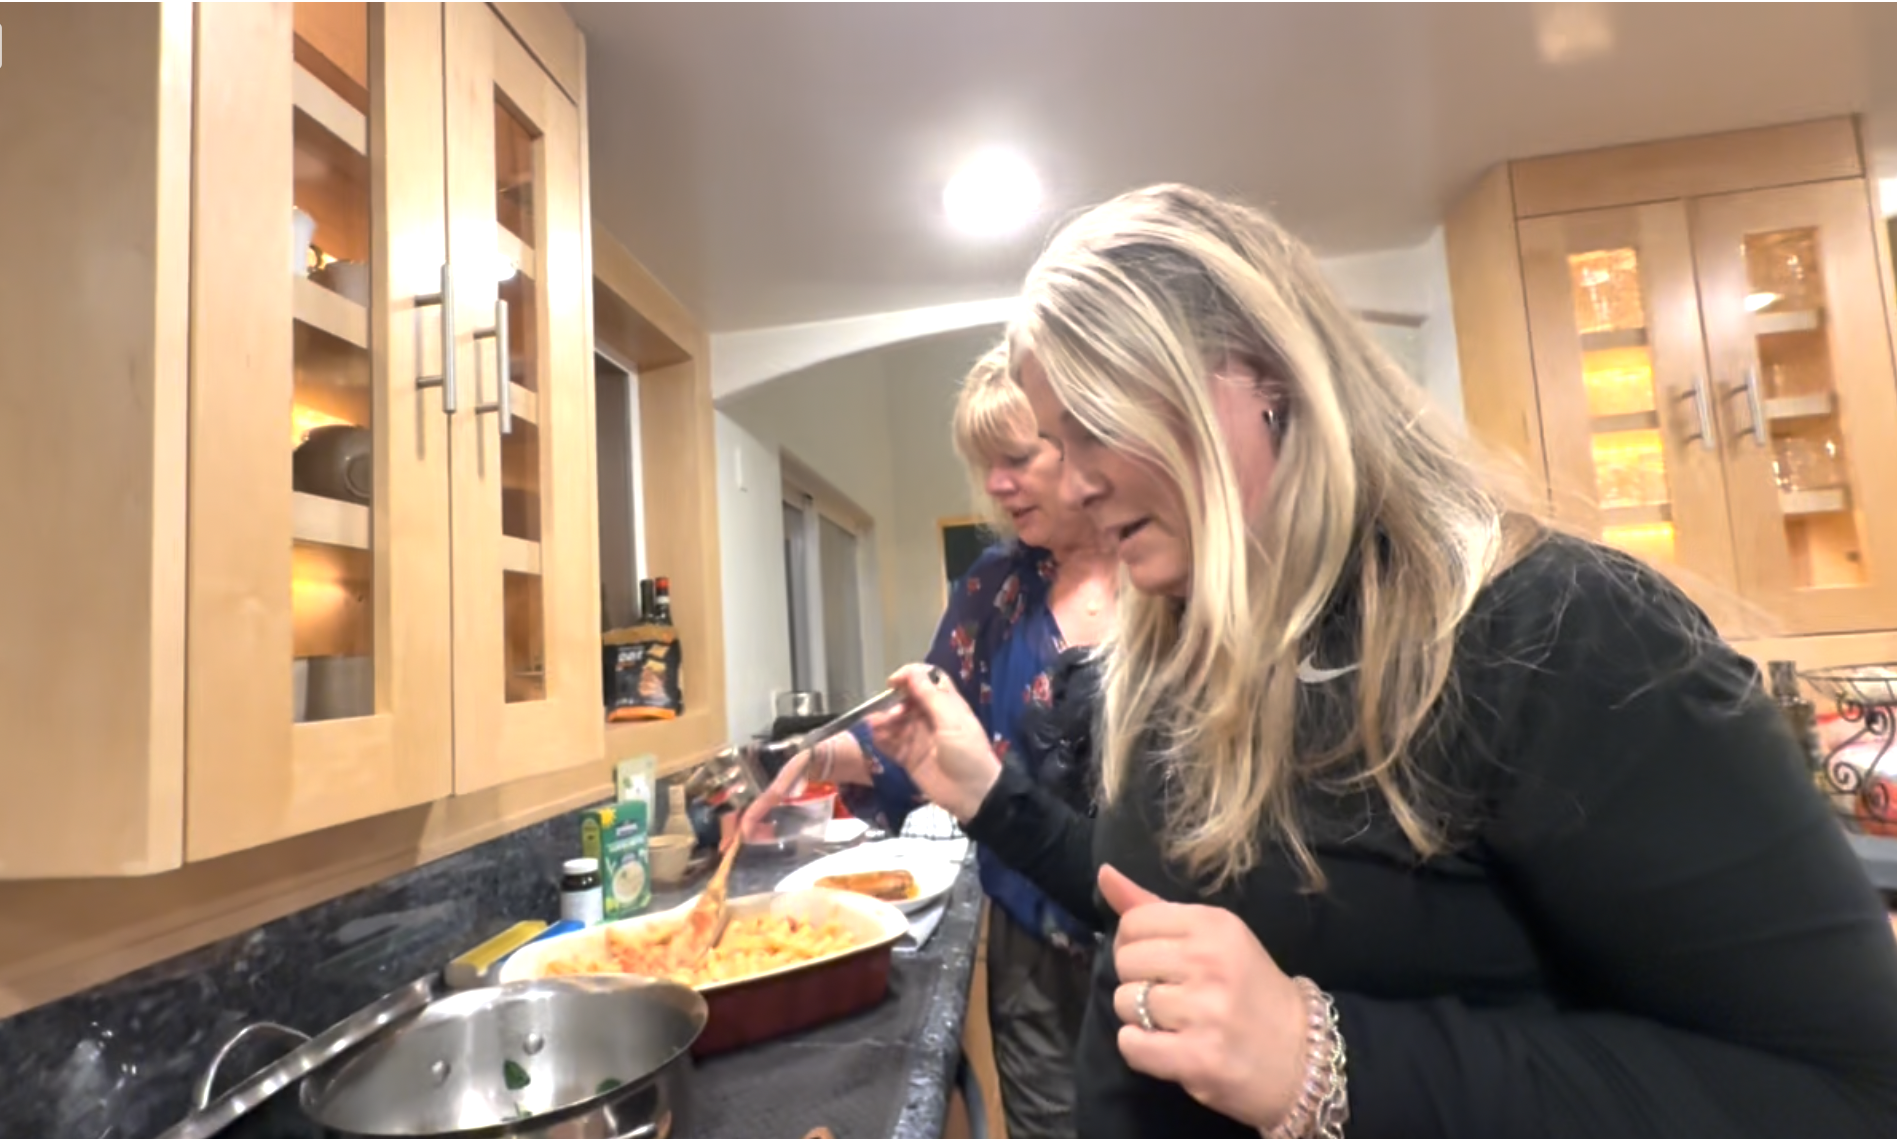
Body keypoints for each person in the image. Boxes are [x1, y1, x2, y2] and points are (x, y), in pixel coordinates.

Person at [867, 183, 1897, 1139]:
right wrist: (984, 794)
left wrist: (1327, 1056)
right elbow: (1160, 919)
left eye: (1095, 423)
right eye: (1054, 439)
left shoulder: (1555, 634)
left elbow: (1841, 1088)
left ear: (1263, 371)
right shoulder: (1178, 652)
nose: (1074, 481)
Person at [743, 345, 1119, 1139]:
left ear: (1084, 439)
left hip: (1165, 929)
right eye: (985, 464)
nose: (995, 485)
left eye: (1016, 457)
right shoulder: (994, 588)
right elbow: (910, 742)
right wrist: (810, 756)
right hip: (1031, 941)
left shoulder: (1166, 564)